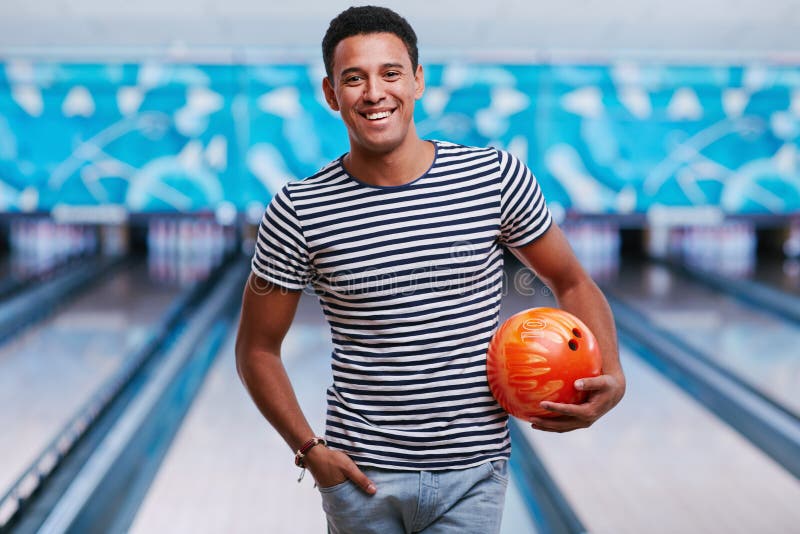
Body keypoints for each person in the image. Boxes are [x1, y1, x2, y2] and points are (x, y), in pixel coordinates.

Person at [235, 5, 626, 533]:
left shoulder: (495, 177)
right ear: (331, 94)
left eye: (390, 73)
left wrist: (611, 375)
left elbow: (572, 280)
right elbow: (257, 349)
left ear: (418, 81)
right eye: (355, 78)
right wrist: (309, 450)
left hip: (473, 473)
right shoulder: (299, 209)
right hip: (359, 477)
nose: (374, 93)